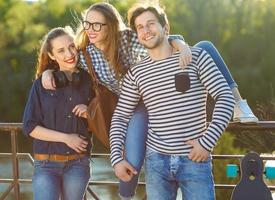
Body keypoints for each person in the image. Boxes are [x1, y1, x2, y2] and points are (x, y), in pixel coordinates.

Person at [41, 2, 256, 200]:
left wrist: (179, 43)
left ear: (111, 26)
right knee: (130, 157)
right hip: (126, 103)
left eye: (98, 25)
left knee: (205, 47)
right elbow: (63, 58)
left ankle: (239, 104)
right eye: (88, 23)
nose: (90, 29)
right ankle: (125, 194)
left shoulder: (128, 39)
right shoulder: (86, 52)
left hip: (151, 99)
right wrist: (47, 72)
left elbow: (157, 39)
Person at [109, 3, 236, 200]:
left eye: (150, 24)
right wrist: (117, 159)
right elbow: (120, 117)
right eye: (140, 27)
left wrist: (206, 142)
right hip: (156, 162)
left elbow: (225, 97)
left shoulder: (196, 57)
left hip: (195, 159)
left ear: (165, 27)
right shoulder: (136, 73)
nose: (146, 31)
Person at [22, 27, 93, 200]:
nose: (69, 54)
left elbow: (107, 116)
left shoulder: (91, 80)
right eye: (60, 50)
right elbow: (29, 127)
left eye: (72, 47)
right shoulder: (41, 84)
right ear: (52, 55)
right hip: (46, 165)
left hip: (78, 163)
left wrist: (91, 111)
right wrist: (66, 138)